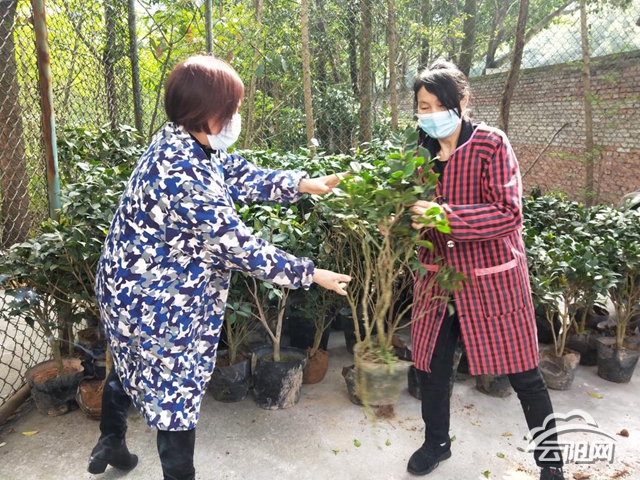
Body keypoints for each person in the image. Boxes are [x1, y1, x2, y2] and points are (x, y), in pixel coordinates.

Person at [87, 55, 351, 480]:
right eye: (233, 108)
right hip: (156, 301)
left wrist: (301, 184)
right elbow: (239, 247)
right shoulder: (183, 173)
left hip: (129, 285)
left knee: (136, 363)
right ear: (208, 111)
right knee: (175, 394)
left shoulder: (182, 140)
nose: (237, 116)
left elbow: (234, 171)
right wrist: (311, 273)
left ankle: (111, 440)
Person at [407, 61, 564, 480]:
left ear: (463, 102)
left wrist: (443, 215)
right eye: (423, 106)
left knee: (524, 374)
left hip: (491, 279)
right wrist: (402, 219)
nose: (431, 114)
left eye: (439, 105)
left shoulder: (491, 144)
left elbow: (508, 213)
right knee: (431, 368)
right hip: (438, 281)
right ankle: (436, 444)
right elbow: (411, 214)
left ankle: (551, 462)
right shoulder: (418, 155)